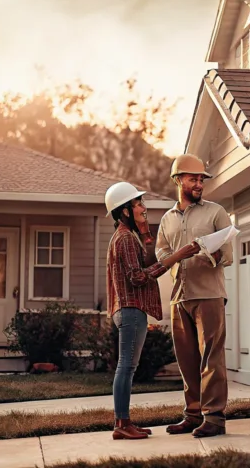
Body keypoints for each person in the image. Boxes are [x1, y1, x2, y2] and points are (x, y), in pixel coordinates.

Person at [104, 181, 201, 440]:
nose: (143, 207)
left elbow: (142, 265)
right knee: (126, 367)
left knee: (127, 367)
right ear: (125, 211)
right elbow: (137, 277)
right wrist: (176, 256)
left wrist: (146, 234)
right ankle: (121, 425)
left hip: (128, 309)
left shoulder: (127, 235)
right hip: (130, 309)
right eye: (138, 203)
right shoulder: (125, 238)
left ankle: (124, 423)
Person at [156, 154, 235, 438]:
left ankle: (214, 418)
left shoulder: (216, 212)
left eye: (201, 179)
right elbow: (161, 253)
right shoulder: (167, 219)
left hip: (209, 295)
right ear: (178, 180)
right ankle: (192, 415)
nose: (199, 184)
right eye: (193, 179)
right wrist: (178, 255)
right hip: (179, 296)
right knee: (187, 360)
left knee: (211, 358)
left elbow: (227, 254)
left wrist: (204, 253)